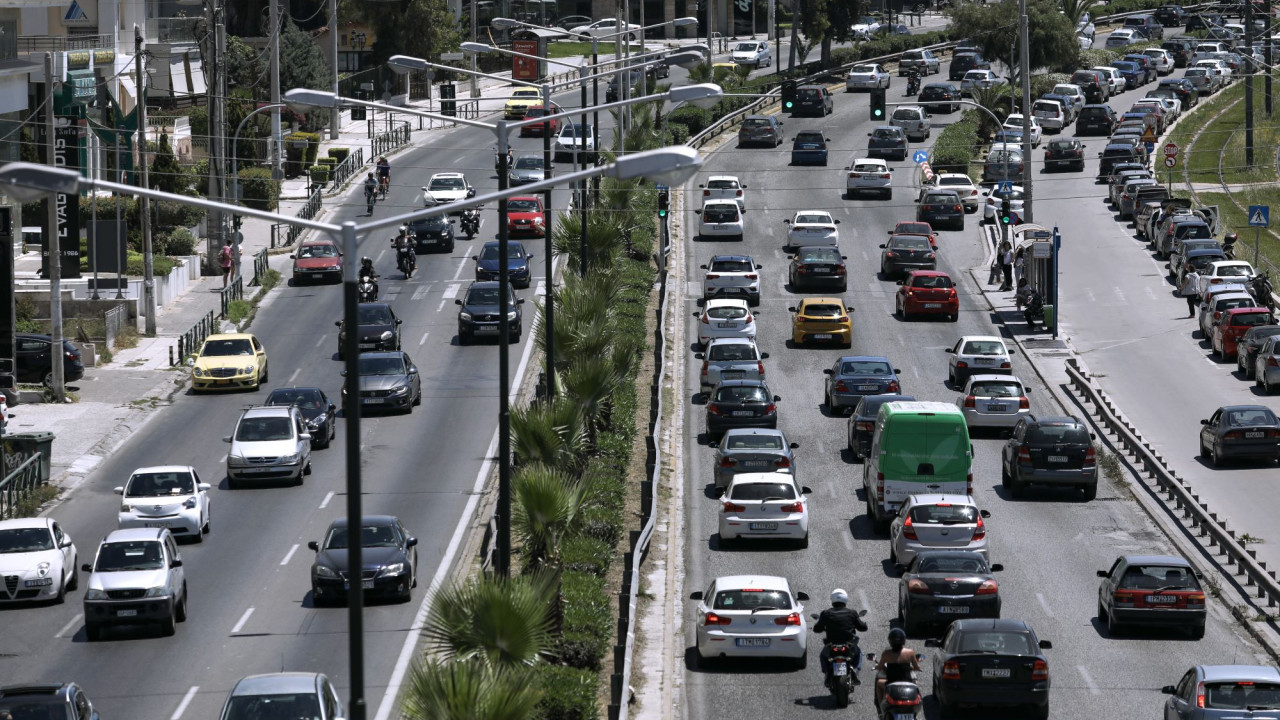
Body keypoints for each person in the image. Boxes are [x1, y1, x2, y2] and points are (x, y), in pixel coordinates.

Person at [813, 589, 868, 688]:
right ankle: (855, 671)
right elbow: (863, 628)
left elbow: (817, 629)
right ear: (845, 599)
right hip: (849, 645)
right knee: (859, 653)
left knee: (823, 656)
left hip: (831, 645)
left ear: (832, 600)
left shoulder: (826, 613)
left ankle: (826, 674)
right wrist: (863, 624)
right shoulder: (852, 613)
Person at [874, 627, 922, 708]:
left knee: (879, 684)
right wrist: (913, 668)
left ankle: (881, 706)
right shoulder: (910, 652)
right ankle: (918, 704)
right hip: (908, 682)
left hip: (891, 682)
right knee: (916, 684)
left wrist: (876, 666)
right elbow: (916, 667)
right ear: (903, 640)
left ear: (890, 641)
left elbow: (880, 667)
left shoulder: (886, 653)